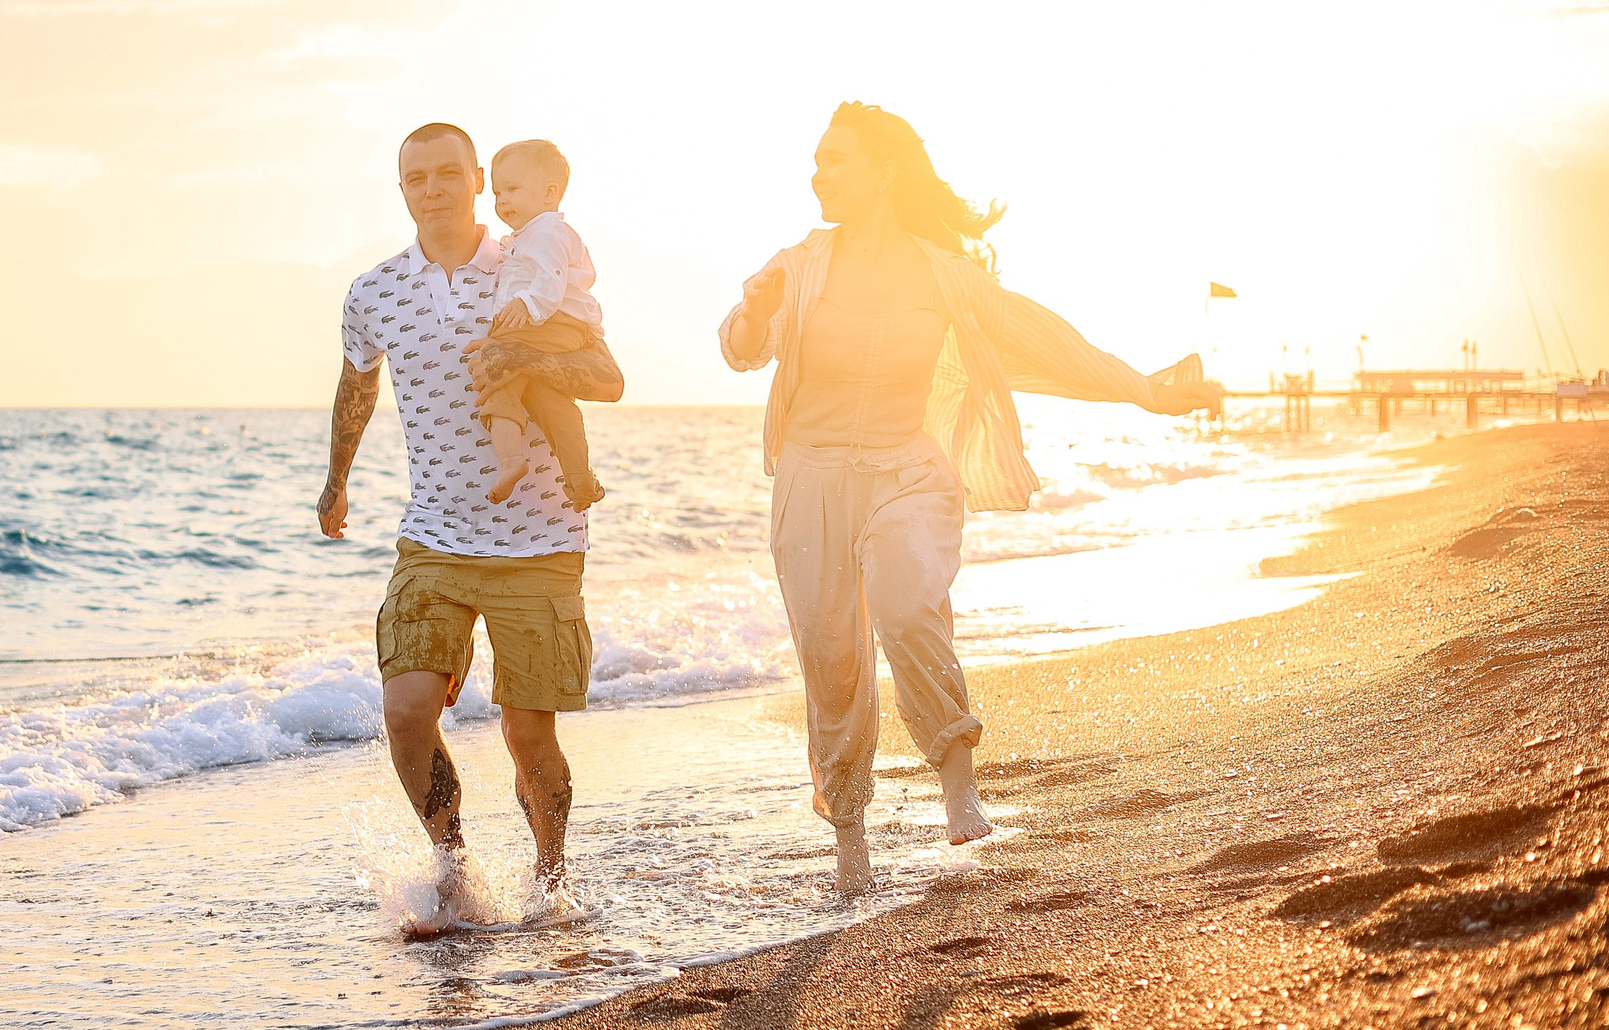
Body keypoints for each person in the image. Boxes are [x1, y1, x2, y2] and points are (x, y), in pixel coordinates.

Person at [719, 102, 1221, 895]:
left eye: (836, 159)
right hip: (811, 480)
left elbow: (1050, 340)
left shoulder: (944, 274)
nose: (819, 173)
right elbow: (741, 351)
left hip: (906, 469)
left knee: (907, 600)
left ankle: (958, 775)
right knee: (833, 665)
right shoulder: (800, 264)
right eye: (816, 160)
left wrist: (1148, 392)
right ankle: (851, 845)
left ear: (884, 171)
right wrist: (752, 310)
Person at [321, 122, 626, 930]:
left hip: (543, 538)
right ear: (401, 188)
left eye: (448, 172)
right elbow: (355, 389)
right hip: (434, 535)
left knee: (529, 735)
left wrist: (525, 361)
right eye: (415, 176)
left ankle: (549, 882)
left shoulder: (530, 259)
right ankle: (453, 867)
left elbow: (607, 375)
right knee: (406, 710)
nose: (433, 188)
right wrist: (335, 482)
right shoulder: (374, 291)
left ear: (477, 177)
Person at [476, 138, 606, 509]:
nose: (502, 200)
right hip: (552, 324)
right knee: (551, 402)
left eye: (513, 189)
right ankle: (581, 482)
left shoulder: (548, 231)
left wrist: (509, 325)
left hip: (557, 321)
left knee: (497, 371)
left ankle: (512, 461)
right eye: (498, 192)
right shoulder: (528, 235)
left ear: (550, 193)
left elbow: (549, 281)